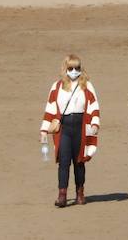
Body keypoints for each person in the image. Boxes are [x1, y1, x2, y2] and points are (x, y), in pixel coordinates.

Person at [39, 54, 101, 208]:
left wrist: (94, 123)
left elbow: (94, 106)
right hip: (64, 128)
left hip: (81, 126)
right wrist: (44, 130)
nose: (74, 71)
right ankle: (62, 195)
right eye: (71, 68)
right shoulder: (57, 86)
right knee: (64, 162)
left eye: (77, 68)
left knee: (79, 162)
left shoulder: (87, 85)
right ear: (65, 69)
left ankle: (80, 193)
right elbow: (50, 109)